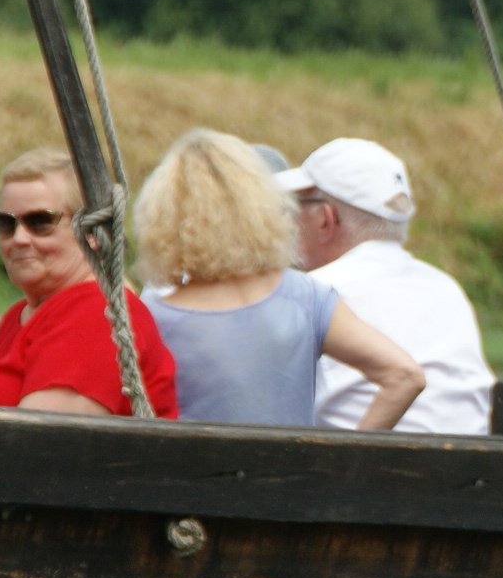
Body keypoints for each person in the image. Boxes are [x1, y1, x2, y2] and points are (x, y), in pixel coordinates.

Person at [136, 129, 425, 429]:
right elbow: (405, 376)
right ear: (265, 207)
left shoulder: (154, 318)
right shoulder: (305, 297)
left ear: (163, 219)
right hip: (293, 462)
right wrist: (347, 455)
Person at [278, 137, 495, 435]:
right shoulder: (446, 287)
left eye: (295, 206)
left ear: (326, 220)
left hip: (365, 462)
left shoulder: (310, 292)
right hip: (471, 462)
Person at [0, 147, 179, 418]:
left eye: (40, 221)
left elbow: (45, 436)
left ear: (91, 232)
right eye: (4, 223)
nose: (19, 239)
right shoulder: (20, 316)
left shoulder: (94, 313)